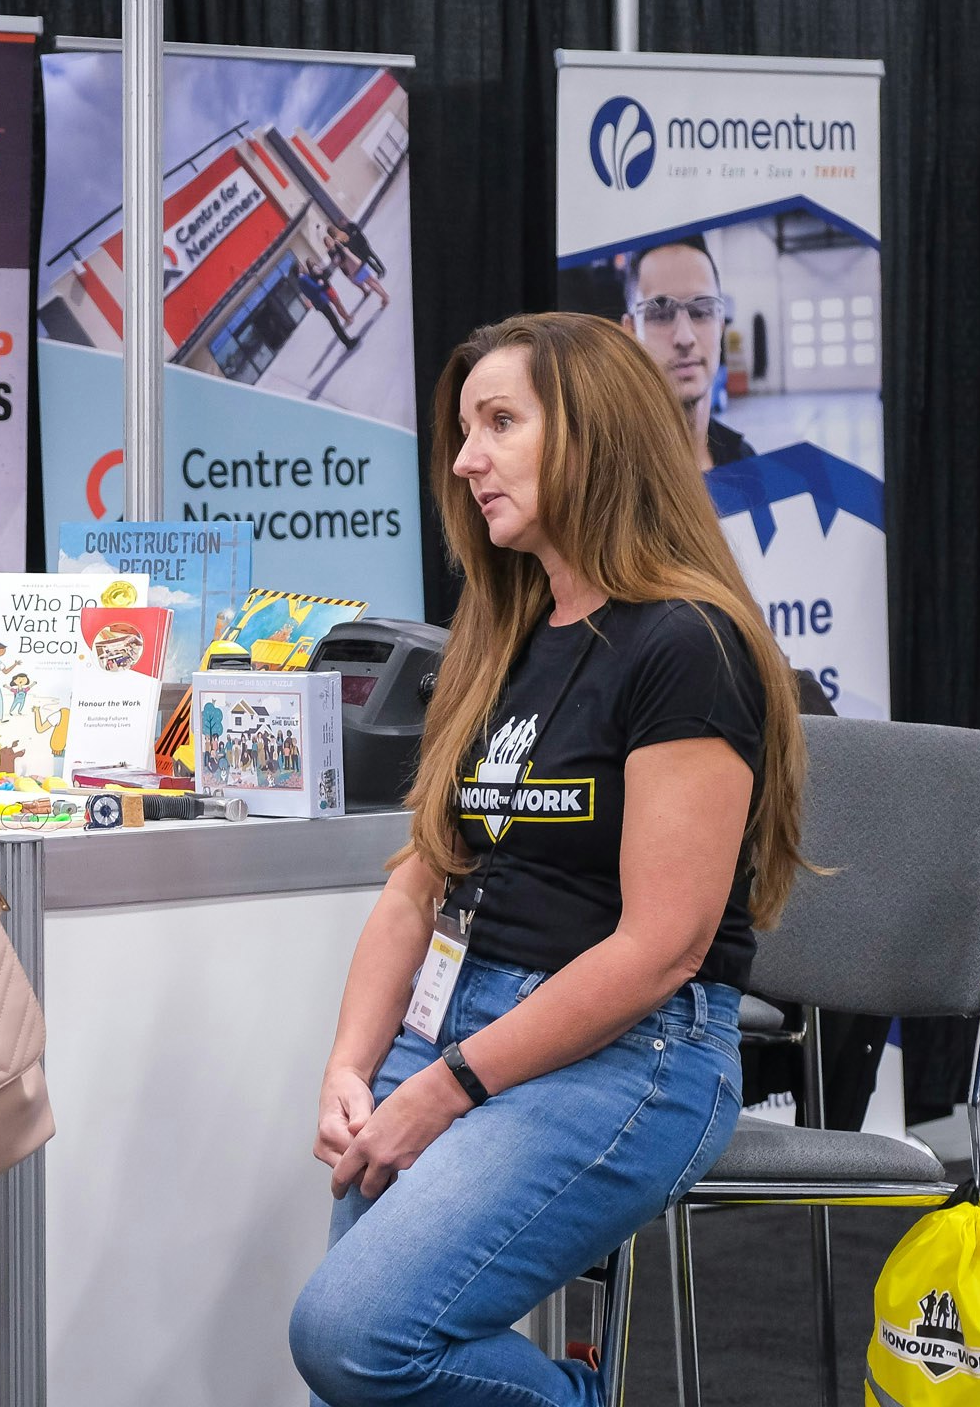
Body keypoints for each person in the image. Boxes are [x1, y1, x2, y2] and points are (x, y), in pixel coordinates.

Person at [288, 311, 807, 1407]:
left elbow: (663, 950)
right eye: (465, 429)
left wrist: (447, 1086)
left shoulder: (686, 644)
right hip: (461, 1026)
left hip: (636, 1055)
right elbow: (417, 882)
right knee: (382, 1353)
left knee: (355, 1335)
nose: (466, 457)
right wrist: (350, 1063)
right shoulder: (502, 630)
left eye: (499, 423)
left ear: (593, 435)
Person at [621, 238, 754, 471]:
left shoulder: (744, 461)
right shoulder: (605, 481)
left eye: (701, 311)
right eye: (660, 314)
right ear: (630, 332)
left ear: (720, 325)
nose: (685, 338)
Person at [327, 222, 391, 311]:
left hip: (354, 266)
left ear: (330, 234)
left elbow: (342, 258)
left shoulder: (337, 242)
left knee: (370, 282)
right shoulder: (344, 232)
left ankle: (384, 298)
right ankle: (384, 294)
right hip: (359, 259)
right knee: (372, 279)